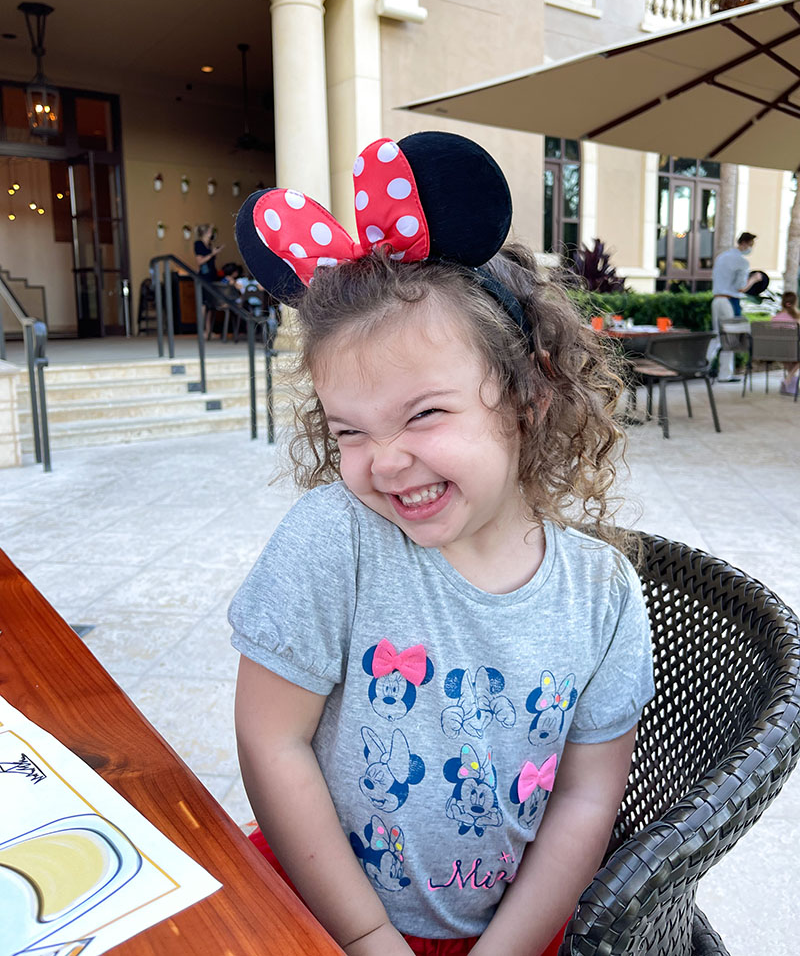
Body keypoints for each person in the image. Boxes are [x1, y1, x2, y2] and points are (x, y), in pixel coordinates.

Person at [228, 132, 655, 956]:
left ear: (528, 389)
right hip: (317, 908)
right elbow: (270, 738)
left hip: (509, 931)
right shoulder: (336, 540)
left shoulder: (603, 595)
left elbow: (583, 798)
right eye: (348, 429)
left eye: (424, 414)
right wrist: (363, 934)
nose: (383, 461)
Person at [708, 231, 759, 382]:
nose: (750, 248)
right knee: (729, 339)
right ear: (744, 243)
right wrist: (754, 279)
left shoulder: (722, 257)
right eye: (750, 245)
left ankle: (702, 367)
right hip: (729, 302)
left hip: (716, 300)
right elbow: (740, 287)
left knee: (717, 336)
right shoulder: (742, 262)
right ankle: (725, 375)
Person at [193, 224, 223, 336]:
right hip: (204, 276)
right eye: (210, 231)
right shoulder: (198, 244)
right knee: (203, 304)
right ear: (205, 232)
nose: (211, 233)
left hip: (211, 275)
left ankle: (208, 330)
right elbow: (199, 261)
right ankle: (201, 331)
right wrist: (212, 254)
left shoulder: (209, 244)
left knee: (210, 304)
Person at [772, 291, 800, 395]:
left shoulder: (775, 318)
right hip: (791, 351)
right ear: (795, 303)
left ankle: (790, 386)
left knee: (790, 361)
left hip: (777, 352)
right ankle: (788, 379)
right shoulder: (796, 318)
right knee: (795, 357)